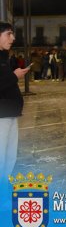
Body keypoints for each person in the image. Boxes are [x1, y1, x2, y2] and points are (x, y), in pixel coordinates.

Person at [0, 22, 30, 187]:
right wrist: (14, 76)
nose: (13, 37)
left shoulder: (4, 57)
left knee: (9, 156)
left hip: (10, 113)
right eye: (8, 34)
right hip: (1, 115)